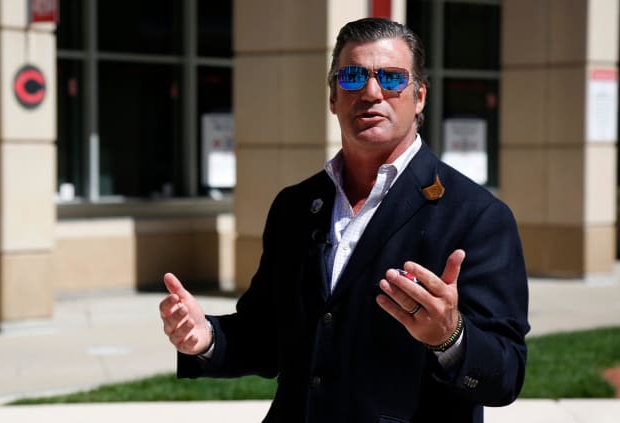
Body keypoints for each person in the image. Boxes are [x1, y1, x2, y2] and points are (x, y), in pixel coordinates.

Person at [159, 17, 529, 423]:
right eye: (352, 77)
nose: (371, 92)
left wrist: (450, 337)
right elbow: (267, 335)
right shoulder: (295, 206)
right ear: (333, 97)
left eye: (391, 78)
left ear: (419, 96)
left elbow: (506, 374)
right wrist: (205, 337)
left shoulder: (477, 216)